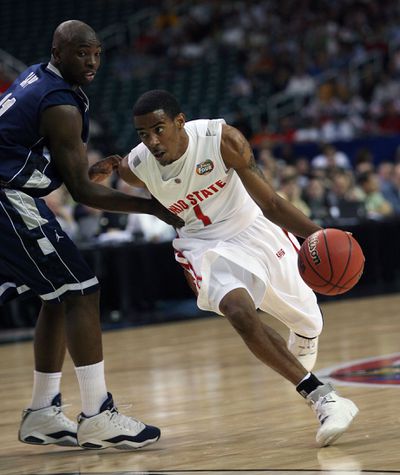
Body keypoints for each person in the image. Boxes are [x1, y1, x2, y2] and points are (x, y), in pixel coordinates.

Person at [90, 90, 359, 447]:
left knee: (310, 321)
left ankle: (306, 337)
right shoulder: (137, 166)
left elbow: (272, 203)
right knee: (239, 312)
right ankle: (323, 397)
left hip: (253, 227)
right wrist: (106, 171)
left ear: (180, 121)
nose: (152, 141)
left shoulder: (223, 140)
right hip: (202, 245)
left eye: (158, 129)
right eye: (143, 134)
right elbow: (117, 172)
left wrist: (322, 235)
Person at [0, 23, 183, 450]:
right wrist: (155, 207)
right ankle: (98, 415)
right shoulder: (61, 105)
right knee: (82, 292)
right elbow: (82, 194)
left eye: (97, 53)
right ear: (58, 51)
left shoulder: (34, 75)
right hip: (8, 199)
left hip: (14, 195)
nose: (92, 62)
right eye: (82, 53)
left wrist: (83, 174)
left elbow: (38, 159)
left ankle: (43, 413)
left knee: (59, 295)